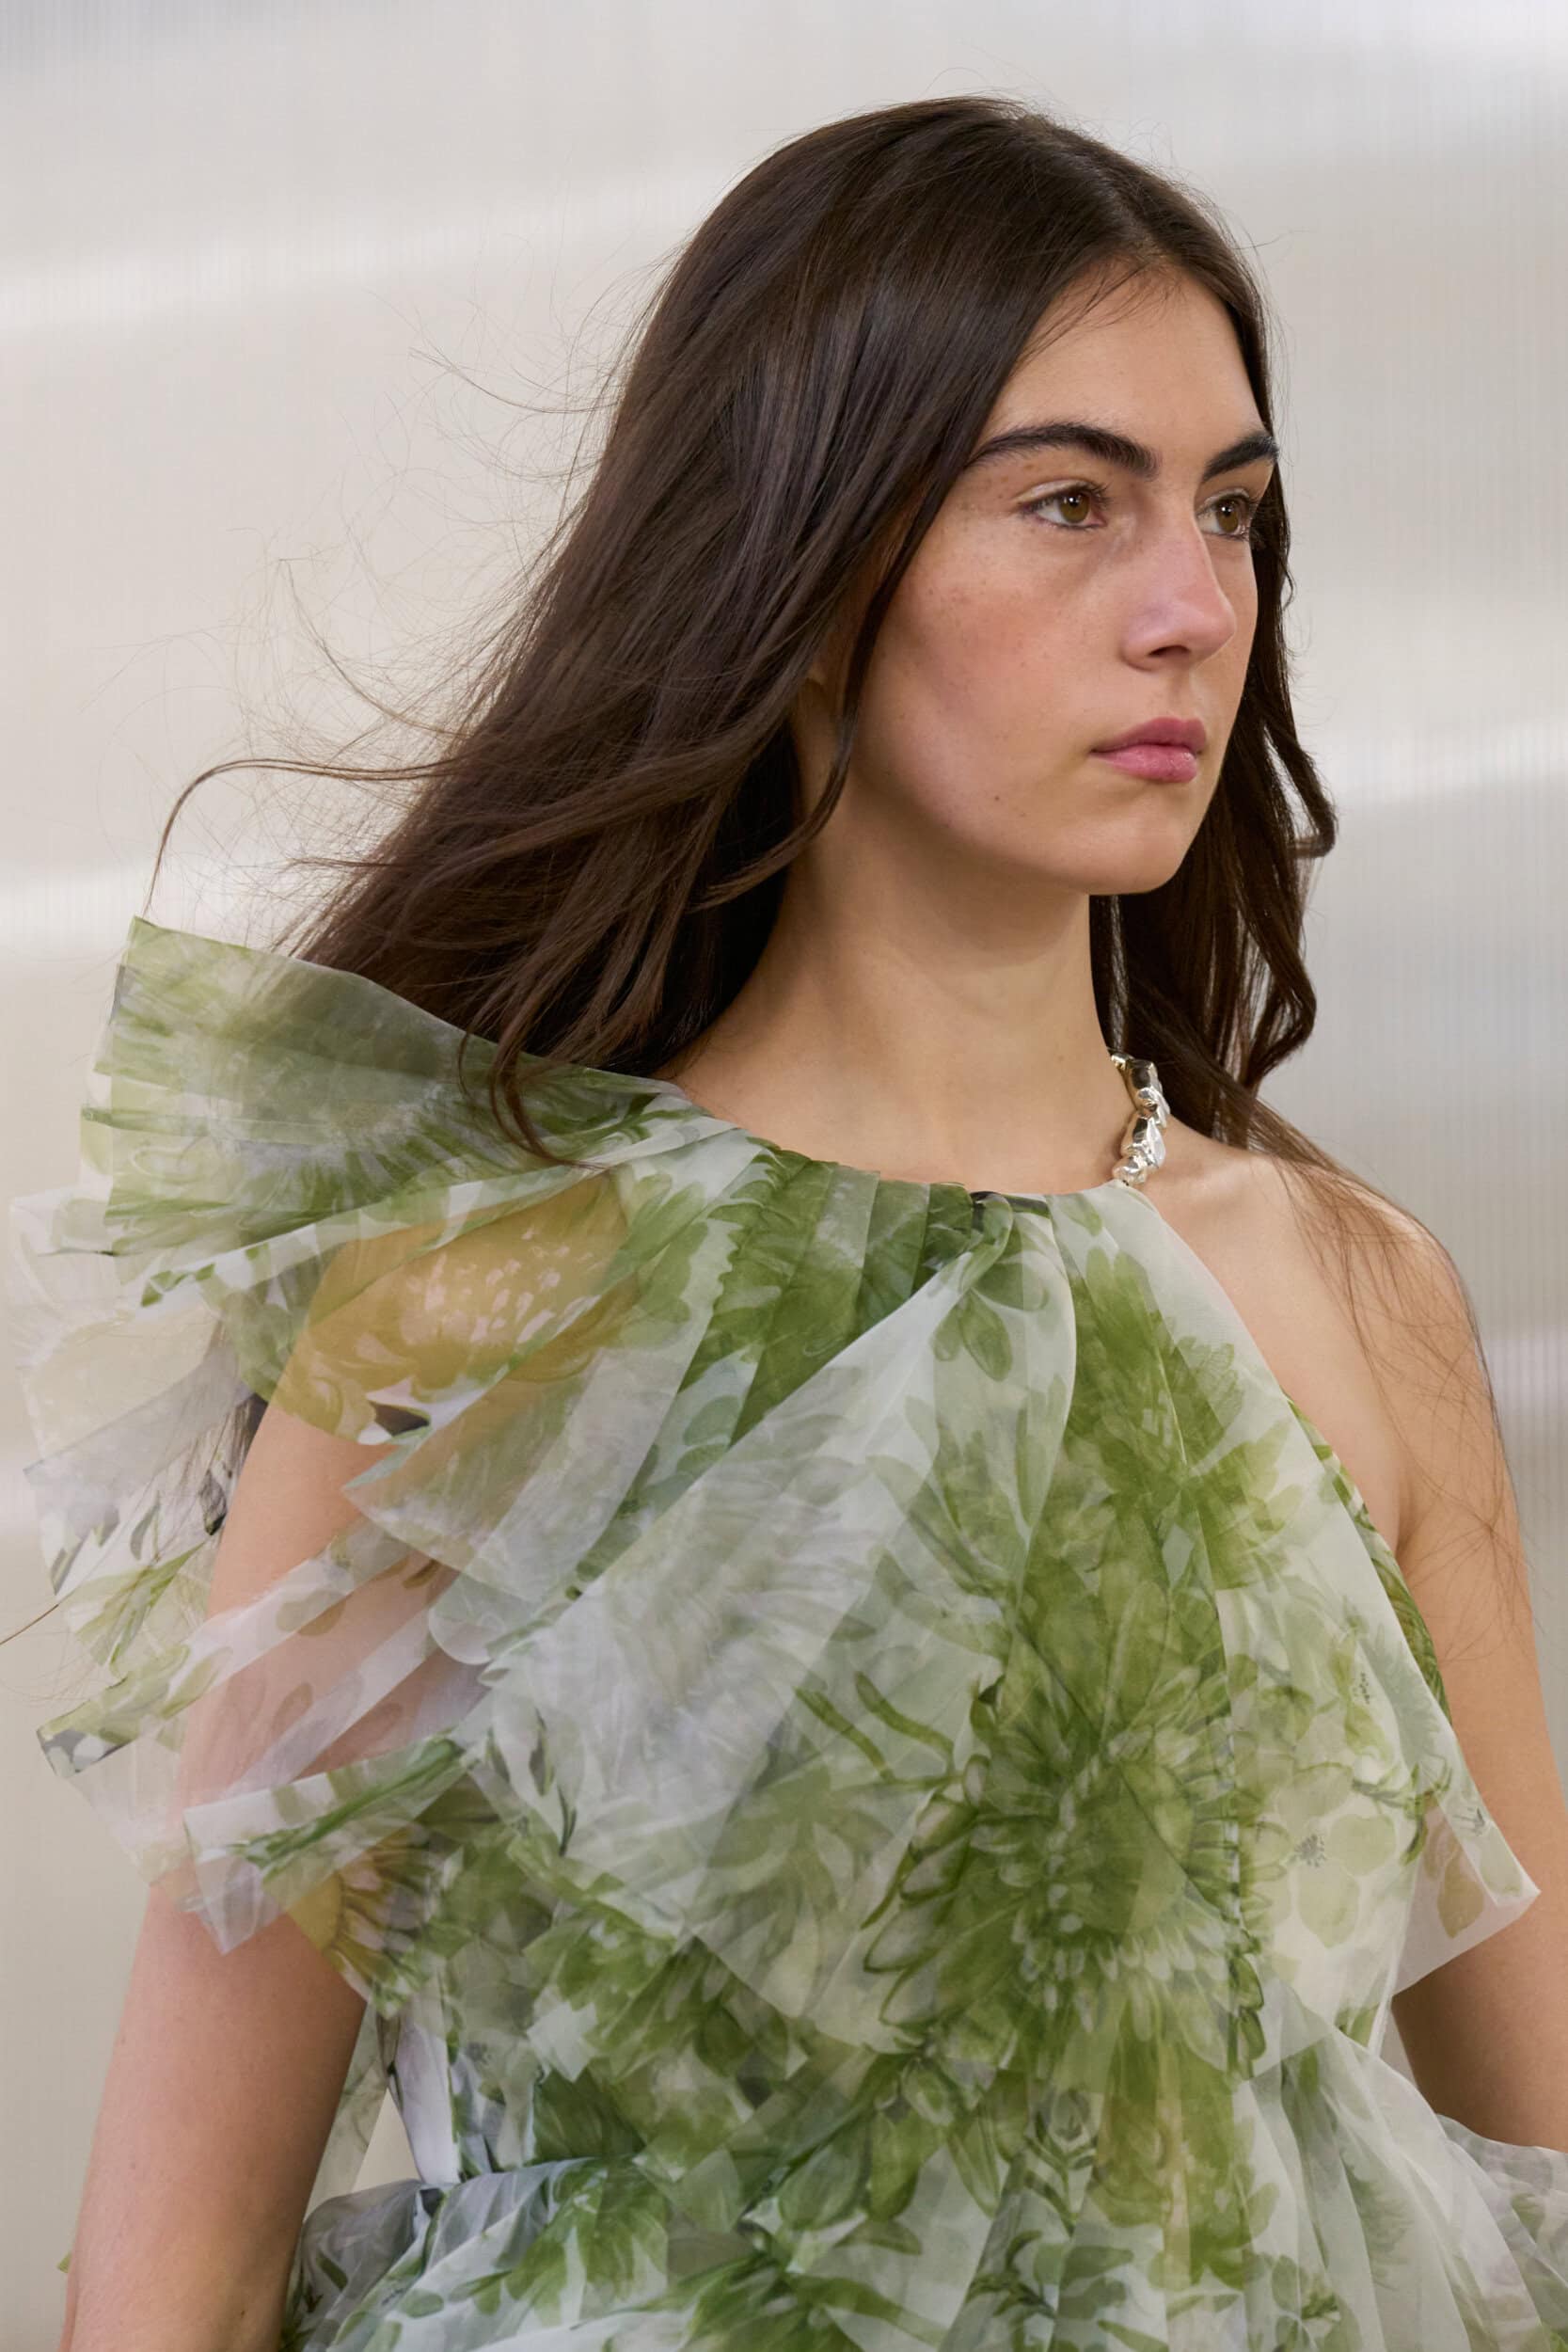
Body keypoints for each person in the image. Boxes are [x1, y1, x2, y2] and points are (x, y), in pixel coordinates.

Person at [8, 90, 1568, 2352]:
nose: (1192, 610)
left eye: (1233, 512)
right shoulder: (485, 1303)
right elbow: (182, 2271)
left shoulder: (1352, 1292)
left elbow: (1543, 2183)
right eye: (1071, 501)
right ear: (815, 561)